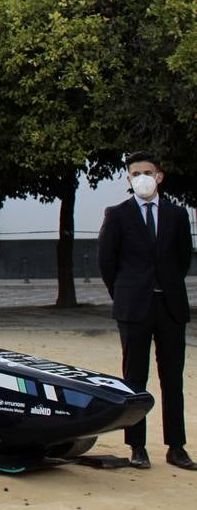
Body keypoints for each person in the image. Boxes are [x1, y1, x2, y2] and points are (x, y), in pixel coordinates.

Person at [98, 151, 195, 471]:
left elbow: (182, 258)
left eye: (147, 172)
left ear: (159, 176)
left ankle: (176, 447)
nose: (141, 177)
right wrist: (125, 293)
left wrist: (165, 285)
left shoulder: (177, 215)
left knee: (173, 379)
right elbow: (107, 263)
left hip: (170, 306)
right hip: (133, 308)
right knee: (134, 380)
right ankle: (137, 446)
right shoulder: (117, 215)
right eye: (135, 172)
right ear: (128, 179)